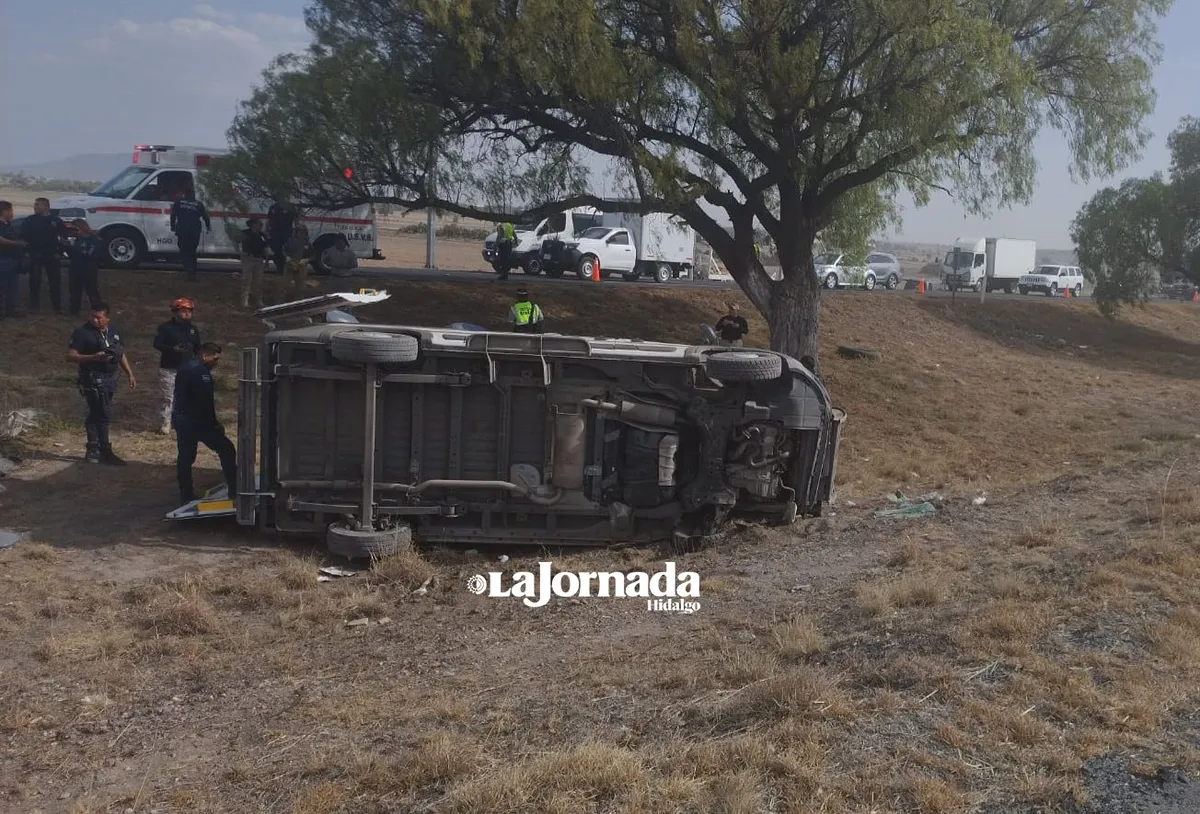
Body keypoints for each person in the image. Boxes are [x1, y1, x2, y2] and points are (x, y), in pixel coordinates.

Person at [66, 303, 136, 465]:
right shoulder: (82, 333)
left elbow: (120, 352)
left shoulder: (114, 331)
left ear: (107, 318)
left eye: (98, 317)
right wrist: (93, 357)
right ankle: (104, 449)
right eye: (92, 316)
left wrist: (129, 373)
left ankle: (92, 447)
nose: (94, 320)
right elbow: (70, 356)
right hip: (92, 376)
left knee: (97, 412)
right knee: (103, 413)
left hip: (110, 376)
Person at [172, 342, 238, 505]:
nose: (216, 363)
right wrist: (214, 424)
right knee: (227, 449)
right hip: (197, 421)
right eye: (214, 359)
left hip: (182, 419)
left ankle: (185, 495)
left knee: (186, 458)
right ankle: (235, 490)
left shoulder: (186, 366)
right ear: (204, 355)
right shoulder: (200, 372)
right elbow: (205, 403)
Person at [153, 298, 202, 435]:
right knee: (168, 396)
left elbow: (198, 348)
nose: (187, 314)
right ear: (175, 312)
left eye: (189, 311)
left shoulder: (193, 329)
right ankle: (166, 421)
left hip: (188, 368)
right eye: (183, 311)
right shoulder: (166, 328)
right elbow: (157, 344)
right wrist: (172, 349)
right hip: (169, 367)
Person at [19, 197, 68, 313]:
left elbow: (63, 238)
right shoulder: (30, 220)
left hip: (52, 255)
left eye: (37, 205)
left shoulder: (56, 221)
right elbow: (23, 237)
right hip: (35, 254)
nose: (35, 207)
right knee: (34, 281)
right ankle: (34, 305)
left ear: (46, 206)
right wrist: (27, 252)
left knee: (55, 281)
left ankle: (57, 306)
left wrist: (60, 252)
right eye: (34, 205)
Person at [169, 188, 210, 280]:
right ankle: (193, 271)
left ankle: (188, 269)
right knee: (192, 251)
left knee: (183, 250)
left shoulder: (179, 202)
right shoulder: (199, 204)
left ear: (185, 194)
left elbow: (173, 215)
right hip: (195, 231)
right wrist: (208, 227)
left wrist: (172, 226)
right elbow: (205, 217)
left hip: (182, 229)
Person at [66, 219, 103, 317]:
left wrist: (74, 247)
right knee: (74, 289)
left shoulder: (95, 240)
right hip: (75, 267)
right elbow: (71, 255)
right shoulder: (77, 239)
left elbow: (90, 254)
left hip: (88, 268)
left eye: (76, 229)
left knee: (91, 290)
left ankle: (97, 310)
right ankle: (74, 310)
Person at [0, 200, 27, 320]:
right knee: (2, 287)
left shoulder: (7, 224)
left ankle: (11, 309)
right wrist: (17, 243)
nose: (12, 213)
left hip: (12, 260)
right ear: (4, 211)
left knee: (12, 286)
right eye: (10, 210)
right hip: (3, 260)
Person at [239, 218, 270, 308]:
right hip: (248, 258)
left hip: (259, 259)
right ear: (253, 224)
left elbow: (265, 248)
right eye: (259, 224)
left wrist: (267, 259)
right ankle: (244, 300)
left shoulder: (262, 235)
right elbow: (236, 241)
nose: (261, 226)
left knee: (258, 281)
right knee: (246, 280)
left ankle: (259, 300)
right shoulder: (245, 233)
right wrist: (240, 253)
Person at [266, 198, 299, 275]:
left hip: (287, 233)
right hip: (275, 233)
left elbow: (296, 219)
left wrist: (297, 230)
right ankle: (280, 269)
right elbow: (268, 219)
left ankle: (287, 269)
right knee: (277, 252)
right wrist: (266, 231)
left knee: (288, 252)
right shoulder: (273, 207)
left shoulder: (291, 207)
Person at [283, 222, 311, 293]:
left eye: (303, 231)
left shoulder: (307, 242)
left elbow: (313, 255)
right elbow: (284, 250)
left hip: (301, 265)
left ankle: (299, 299)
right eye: (299, 231)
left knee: (300, 287)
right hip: (290, 264)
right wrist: (287, 257)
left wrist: (306, 259)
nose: (301, 233)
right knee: (286, 285)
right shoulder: (290, 240)